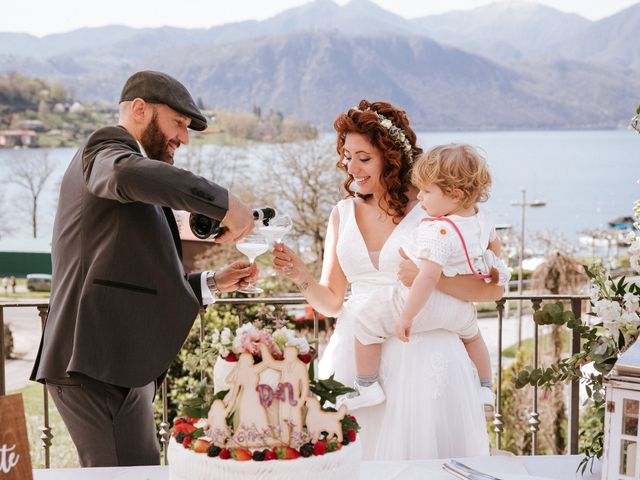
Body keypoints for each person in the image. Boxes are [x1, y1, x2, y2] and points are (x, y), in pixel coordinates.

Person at [29, 70, 258, 467]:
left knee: (141, 470)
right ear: (139, 110)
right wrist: (224, 202)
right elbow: (123, 172)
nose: (184, 138)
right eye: (179, 123)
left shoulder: (135, 177)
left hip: (112, 364)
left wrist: (210, 282)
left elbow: (131, 276)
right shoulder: (106, 150)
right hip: (92, 363)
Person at [273, 100, 503, 459]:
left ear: (391, 158)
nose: (351, 167)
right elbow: (332, 301)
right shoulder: (342, 214)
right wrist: (300, 275)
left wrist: (431, 279)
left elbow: (494, 288)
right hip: (357, 354)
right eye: (347, 156)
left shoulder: (437, 207)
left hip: (424, 355)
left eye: (363, 158)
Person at [342, 144, 509, 417]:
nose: (420, 198)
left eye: (427, 192)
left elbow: (428, 276)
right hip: (461, 310)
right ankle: (484, 387)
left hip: (427, 306)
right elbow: (495, 259)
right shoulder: (483, 219)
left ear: (454, 193)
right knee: (474, 336)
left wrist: (406, 316)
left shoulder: (438, 229)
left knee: (365, 319)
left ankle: (366, 385)